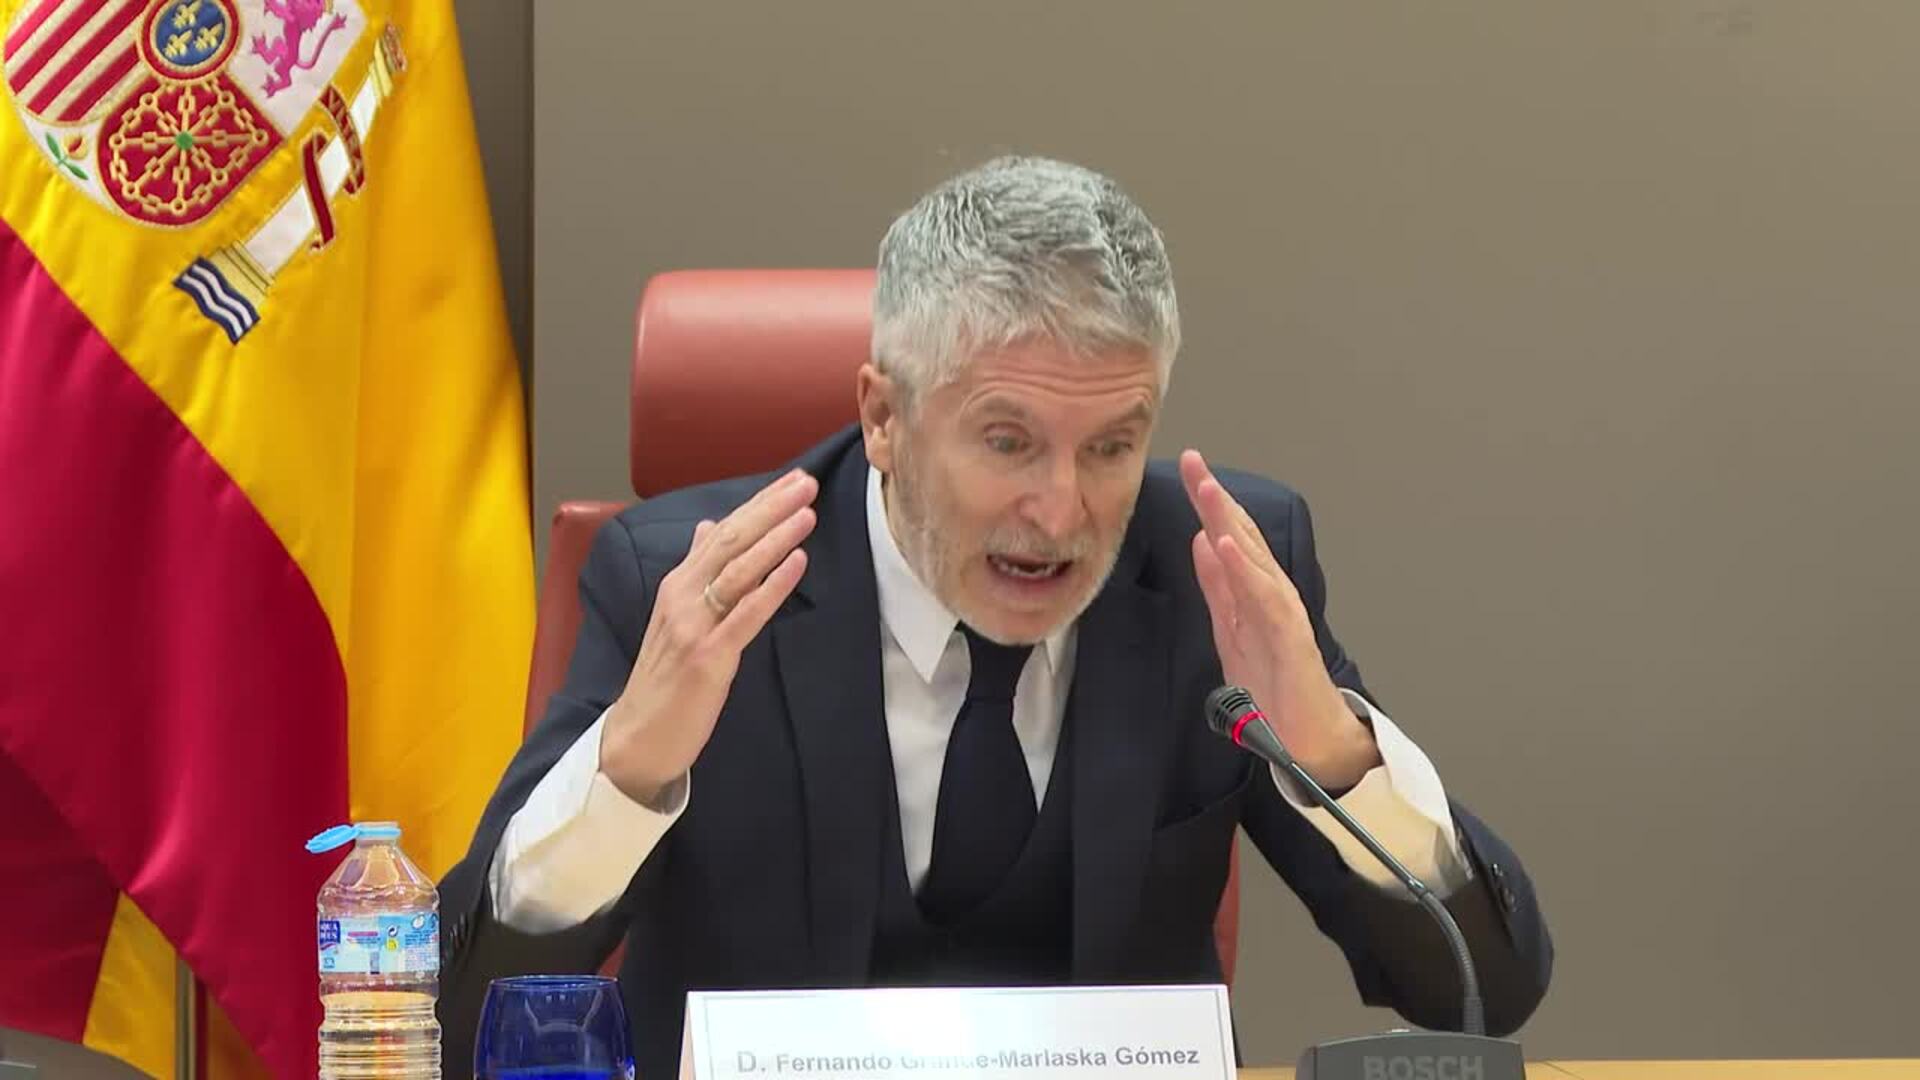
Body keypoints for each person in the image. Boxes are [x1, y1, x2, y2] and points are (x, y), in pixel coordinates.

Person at [438, 156, 1552, 1078]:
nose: (1062, 511)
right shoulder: (691, 589)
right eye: (1008, 441)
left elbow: (1484, 991)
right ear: (884, 417)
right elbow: (453, 1017)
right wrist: (628, 776)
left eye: (1111, 446)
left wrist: (1334, 756)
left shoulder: (1212, 575)